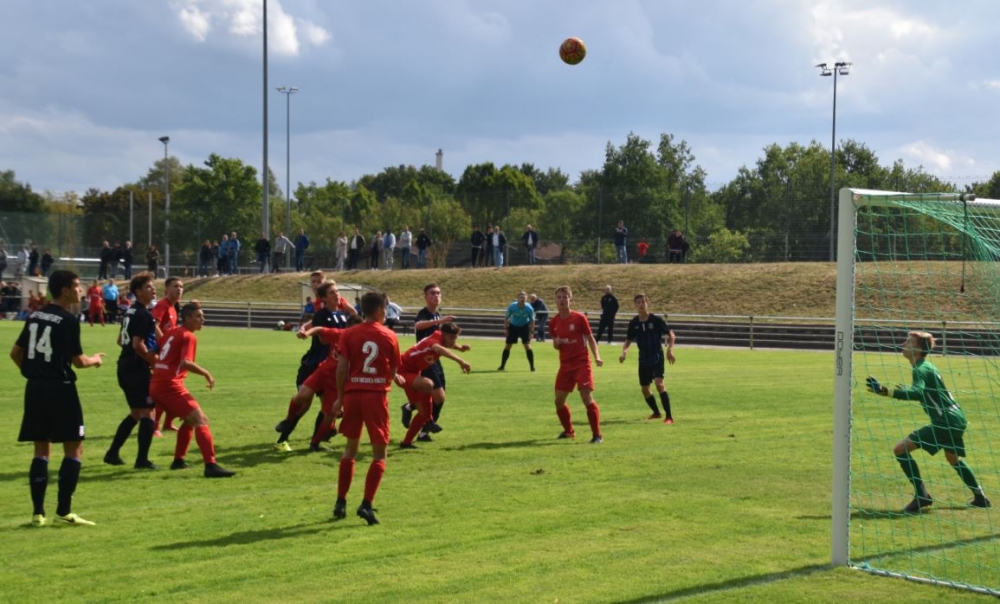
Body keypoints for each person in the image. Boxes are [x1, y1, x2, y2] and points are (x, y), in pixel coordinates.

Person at [10, 269, 106, 526]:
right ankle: (64, 512)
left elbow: (15, 353)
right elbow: (78, 361)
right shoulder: (68, 321)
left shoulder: (35, 316)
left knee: (41, 449)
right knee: (74, 446)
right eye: (77, 286)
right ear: (64, 289)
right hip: (61, 388)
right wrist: (95, 360)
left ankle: (37, 514)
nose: (80, 291)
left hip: (35, 388)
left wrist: (34, 374)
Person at [866, 331, 991, 513]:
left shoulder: (920, 369)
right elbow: (926, 392)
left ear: (918, 349)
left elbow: (918, 393)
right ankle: (980, 497)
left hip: (945, 420)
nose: (904, 343)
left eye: (909, 342)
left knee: (900, 449)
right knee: (953, 458)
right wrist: (905, 390)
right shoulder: (927, 366)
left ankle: (921, 495)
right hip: (957, 417)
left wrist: (887, 392)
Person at [333, 291, 401, 525]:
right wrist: (393, 377)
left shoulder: (349, 334)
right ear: (381, 311)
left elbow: (341, 368)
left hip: (352, 396)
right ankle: (366, 504)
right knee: (379, 453)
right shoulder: (390, 336)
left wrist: (340, 398)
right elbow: (392, 371)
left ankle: (340, 501)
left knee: (350, 449)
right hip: (376, 397)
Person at [150, 303, 236, 478]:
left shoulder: (172, 331)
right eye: (198, 316)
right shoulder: (188, 336)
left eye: (202, 316)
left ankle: (178, 460)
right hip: (169, 385)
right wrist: (206, 373)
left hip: (157, 382)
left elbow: (156, 351)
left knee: (189, 421)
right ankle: (210, 465)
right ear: (187, 318)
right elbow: (185, 363)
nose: (202, 319)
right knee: (201, 420)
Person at [274, 274, 357, 450]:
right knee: (303, 403)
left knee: (327, 409)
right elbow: (323, 337)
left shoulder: (342, 314)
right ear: (324, 297)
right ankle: (285, 435)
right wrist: (307, 330)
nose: (337, 294)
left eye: (337, 291)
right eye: (332, 292)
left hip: (334, 367)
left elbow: (354, 316)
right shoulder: (322, 314)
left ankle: (316, 440)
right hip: (315, 364)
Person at [103, 272, 160, 469]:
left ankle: (112, 453)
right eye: (148, 287)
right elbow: (138, 344)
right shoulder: (144, 314)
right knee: (147, 413)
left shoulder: (129, 311)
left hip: (124, 366)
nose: (153, 289)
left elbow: (121, 340)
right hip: (136, 368)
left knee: (136, 413)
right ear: (138, 291)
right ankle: (142, 460)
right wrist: (153, 362)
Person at [398, 322, 471, 449]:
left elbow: (447, 344)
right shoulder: (433, 340)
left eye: (455, 338)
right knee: (428, 384)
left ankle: (406, 442)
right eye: (451, 338)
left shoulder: (441, 337)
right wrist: (460, 361)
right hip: (402, 371)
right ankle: (429, 420)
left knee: (422, 412)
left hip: (414, 372)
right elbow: (439, 348)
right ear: (443, 334)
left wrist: (460, 348)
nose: (453, 341)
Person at [548, 285, 604, 444]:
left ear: (570, 299)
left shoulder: (579, 318)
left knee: (586, 396)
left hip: (582, 364)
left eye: (565, 297)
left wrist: (597, 356)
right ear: (555, 301)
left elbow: (590, 338)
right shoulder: (553, 322)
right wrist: (556, 343)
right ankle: (569, 431)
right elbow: (555, 344)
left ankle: (597, 435)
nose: (562, 300)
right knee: (558, 401)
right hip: (565, 366)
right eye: (559, 297)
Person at [400, 283, 454, 442]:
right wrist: (441, 320)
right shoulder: (424, 314)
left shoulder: (437, 315)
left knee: (440, 398)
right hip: (423, 362)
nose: (436, 296)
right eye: (432, 293)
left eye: (438, 293)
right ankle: (420, 419)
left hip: (435, 361)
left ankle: (420, 425)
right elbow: (418, 325)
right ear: (425, 297)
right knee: (436, 396)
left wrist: (458, 346)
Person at [619, 294, 677, 422]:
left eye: (643, 302)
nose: (641, 304)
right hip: (643, 358)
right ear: (635, 305)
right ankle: (656, 413)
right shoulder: (634, 323)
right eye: (638, 302)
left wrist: (670, 350)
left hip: (656, 356)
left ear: (647, 303)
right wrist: (624, 352)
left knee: (659, 383)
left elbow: (671, 335)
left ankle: (669, 417)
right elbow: (628, 340)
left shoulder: (656, 320)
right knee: (645, 389)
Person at [151, 276, 185, 435]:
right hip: (160, 354)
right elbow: (154, 325)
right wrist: (164, 345)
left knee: (175, 387)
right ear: (166, 290)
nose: (179, 289)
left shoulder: (173, 307)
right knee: (165, 390)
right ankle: (155, 426)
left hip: (169, 355)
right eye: (175, 286)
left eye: (181, 286)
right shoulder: (163, 305)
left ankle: (167, 423)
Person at [498, 291, 536, 372]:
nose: (522, 299)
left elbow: (532, 321)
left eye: (524, 298)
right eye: (521, 297)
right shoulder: (512, 306)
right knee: (508, 346)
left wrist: (531, 332)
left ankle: (532, 367)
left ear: (526, 299)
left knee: (527, 346)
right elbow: (506, 317)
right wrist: (505, 328)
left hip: (524, 327)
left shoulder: (529, 308)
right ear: (517, 298)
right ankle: (502, 366)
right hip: (513, 327)